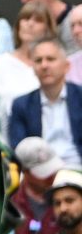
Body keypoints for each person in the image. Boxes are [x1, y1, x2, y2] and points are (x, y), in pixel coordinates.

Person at [4, 39, 78, 172]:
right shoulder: (21, 105)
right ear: (33, 69)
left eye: (50, 59)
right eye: (38, 60)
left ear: (66, 66)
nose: (44, 65)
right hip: (39, 174)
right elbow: (18, 149)